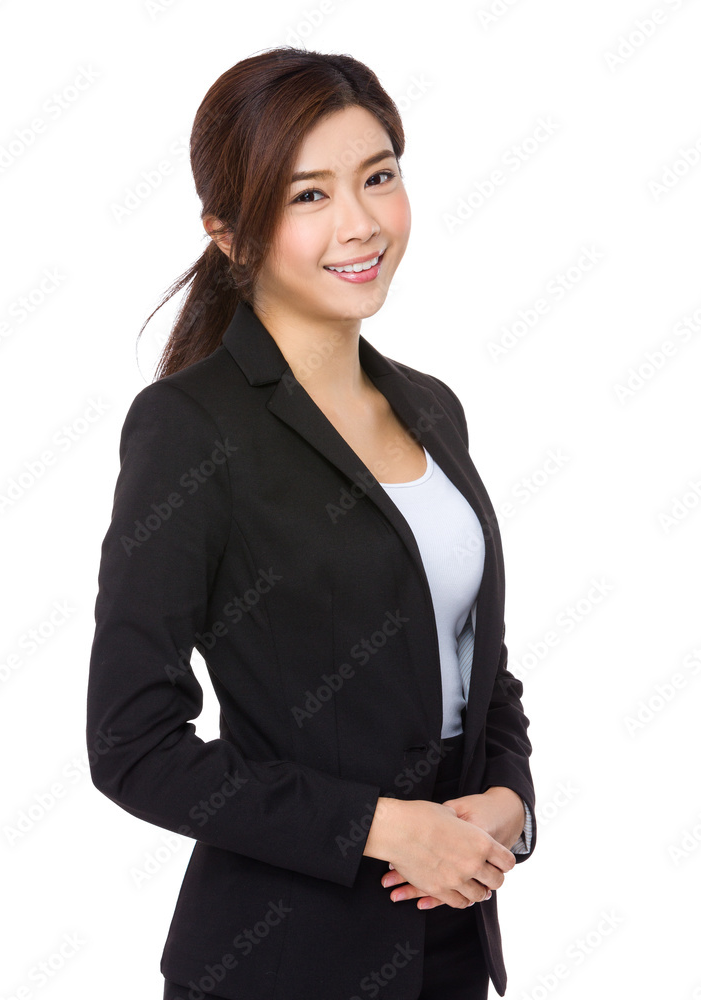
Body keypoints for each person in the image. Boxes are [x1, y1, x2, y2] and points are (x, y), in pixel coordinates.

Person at [86, 46, 537, 1000]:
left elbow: (474, 660)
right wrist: (380, 826)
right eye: (308, 196)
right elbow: (132, 744)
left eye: (378, 176)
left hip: (452, 939)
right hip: (280, 960)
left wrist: (510, 800)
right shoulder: (191, 428)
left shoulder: (432, 408)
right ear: (229, 235)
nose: (360, 222)